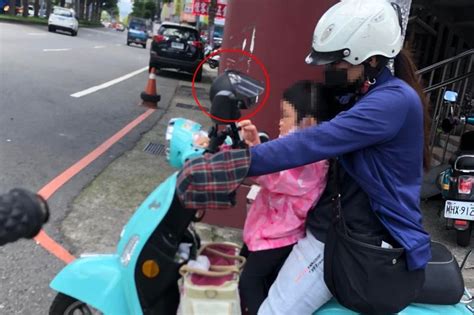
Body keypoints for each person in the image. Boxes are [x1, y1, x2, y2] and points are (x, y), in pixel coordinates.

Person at [239, 0, 432, 313]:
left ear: (370, 60)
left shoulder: (392, 102)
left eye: (338, 64)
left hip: (352, 236)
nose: (330, 72)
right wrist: (256, 143)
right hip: (333, 222)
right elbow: (301, 128)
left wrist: (238, 162)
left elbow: (314, 141)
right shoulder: (359, 94)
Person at [237, 81, 329, 315]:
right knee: (248, 278)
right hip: (265, 234)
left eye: (286, 116)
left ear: (308, 123)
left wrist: (254, 154)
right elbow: (272, 169)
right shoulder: (294, 150)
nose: (280, 121)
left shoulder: (313, 161)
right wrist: (255, 146)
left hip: (281, 239)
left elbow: (275, 176)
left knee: (250, 283)